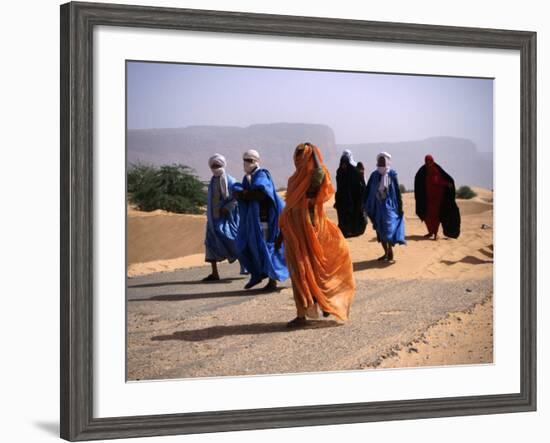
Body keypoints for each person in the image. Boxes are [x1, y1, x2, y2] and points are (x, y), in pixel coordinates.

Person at [278, 143, 355, 328]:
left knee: (314, 270)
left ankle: (324, 302)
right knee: (299, 272)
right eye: (296, 154)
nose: (298, 158)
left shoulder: (315, 178)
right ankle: (302, 314)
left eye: (301, 155)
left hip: (311, 231)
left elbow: (319, 178)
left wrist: (314, 158)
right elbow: (289, 207)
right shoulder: (294, 179)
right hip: (294, 233)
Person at [232, 149, 289, 291]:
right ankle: (257, 275)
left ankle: (272, 281)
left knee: (267, 249)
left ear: (256, 161)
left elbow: (261, 194)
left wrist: (244, 193)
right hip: (253, 222)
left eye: (250, 160)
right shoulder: (248, 177)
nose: (247, 163)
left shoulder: (262, 175)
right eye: (245, 160)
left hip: (265, 221)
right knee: (247, 247)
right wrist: (242, 192)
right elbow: (246, 194)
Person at [202, 154, 243, 281]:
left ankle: (247, 266)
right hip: (213, 219)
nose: (216, 168)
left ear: (223, 165)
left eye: (218, 165)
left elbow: (237, 197)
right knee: (210, 243)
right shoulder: (212, 181)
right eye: (213, 166)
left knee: (234, 240)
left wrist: (228, 207)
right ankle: (214, 273)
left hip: (227, 219)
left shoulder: (230, 180)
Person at [365, 152, 406, 262]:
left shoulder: (392, 175)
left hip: (389, 208)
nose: (381, 163)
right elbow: (368, 189)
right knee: (379, 231)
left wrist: (400, 207)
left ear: (387, 162)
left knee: (388, 230)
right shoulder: (374, 175)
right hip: (376, 208)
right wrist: (365, 203)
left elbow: (397, 192)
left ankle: (390, 251)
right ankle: (386, 252)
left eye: (383, 161)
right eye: (379, 161)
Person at [414, 154, 461, 240]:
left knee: (435, 216)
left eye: (430, 161)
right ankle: (431, 232)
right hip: (427, 198)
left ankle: (435, 234)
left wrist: (447, 183)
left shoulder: (436, 169)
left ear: (432, 161)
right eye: (427, 161)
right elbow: (418, 182)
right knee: (427, 216)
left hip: (437, 199)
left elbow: (439, 180)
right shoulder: (422, 170)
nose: (428, 163)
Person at [334, 150, 367, 237]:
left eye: (345, 163)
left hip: (353, 197)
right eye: (342, 163)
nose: (344, 165)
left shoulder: (353, 171)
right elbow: (339, 184)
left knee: (353, 213)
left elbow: (360, 184)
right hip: (342, 197)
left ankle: (353, 230)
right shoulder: (339, 172)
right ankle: (345, 230)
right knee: (343, 214)